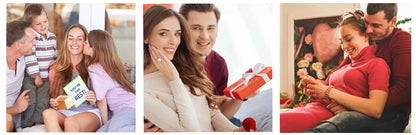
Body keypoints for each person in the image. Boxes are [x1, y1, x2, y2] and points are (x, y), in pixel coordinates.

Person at [280, 10, 391, 132]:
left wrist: (329, 93)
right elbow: (326, 90)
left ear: (365, 35)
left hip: (327, 117)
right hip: (312, 108)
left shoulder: (377, 64)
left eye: (348, 39)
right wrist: (312, 85)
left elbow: (376, 109)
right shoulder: (345, 65)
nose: (344, 47)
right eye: (341, 42)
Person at [143, 5, 249, 132]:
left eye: (177, 34)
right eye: (163, 33)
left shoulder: (186, 64)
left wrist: (234, 131)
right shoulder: (144, 90)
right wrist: (174, 79)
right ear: (145, 37)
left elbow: (211, 112)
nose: (173, 41)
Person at [307, 3, 411, 132]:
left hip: (393, 114)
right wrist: (316, 87)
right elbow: (339, 72)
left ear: (393, 21)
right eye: (367, 23)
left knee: (344, 120)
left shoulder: (403, 40)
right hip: (369, 106)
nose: (368, 30)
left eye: (376, 25)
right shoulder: (371, 40)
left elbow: (404, 90)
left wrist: (354, 105)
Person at [42, 24, 101, 132]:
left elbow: (105, 101)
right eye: (71, 38)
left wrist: (94, 101)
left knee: (70, 121)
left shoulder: (94, 67)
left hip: (89, 112)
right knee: (47, 113)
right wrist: (54, 102)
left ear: (85, 43)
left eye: (79, 39)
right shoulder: (56, 67)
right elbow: (54, 97)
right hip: (65, 111)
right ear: (66, 41)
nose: (74, 42)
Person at [83, 30, 136, 132]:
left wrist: (105, 122)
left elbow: (101, 100)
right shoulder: (111, 64)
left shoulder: (94, 69)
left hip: (128, 108)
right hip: (126, 109)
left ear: (94, 48)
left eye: (86, 43)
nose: (83, 44)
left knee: (114, 131)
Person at [21, 4, 57, 128]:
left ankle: (38, 124)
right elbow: (30, 57)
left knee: (43, 100)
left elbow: (55, 56)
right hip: (31, 77)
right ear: (30, 25)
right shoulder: (31, 38)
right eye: (38, 24)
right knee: (31, 100)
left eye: (45, 21)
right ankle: (26, 124)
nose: (43, 26)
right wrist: (36, 75)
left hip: (47, 78)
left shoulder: (52, 37)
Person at [6, 21, 36, 132]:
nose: (35, 43)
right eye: (32, 40)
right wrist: (16, 108)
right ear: (18, 45)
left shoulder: (22, 58)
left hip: (16, 124)